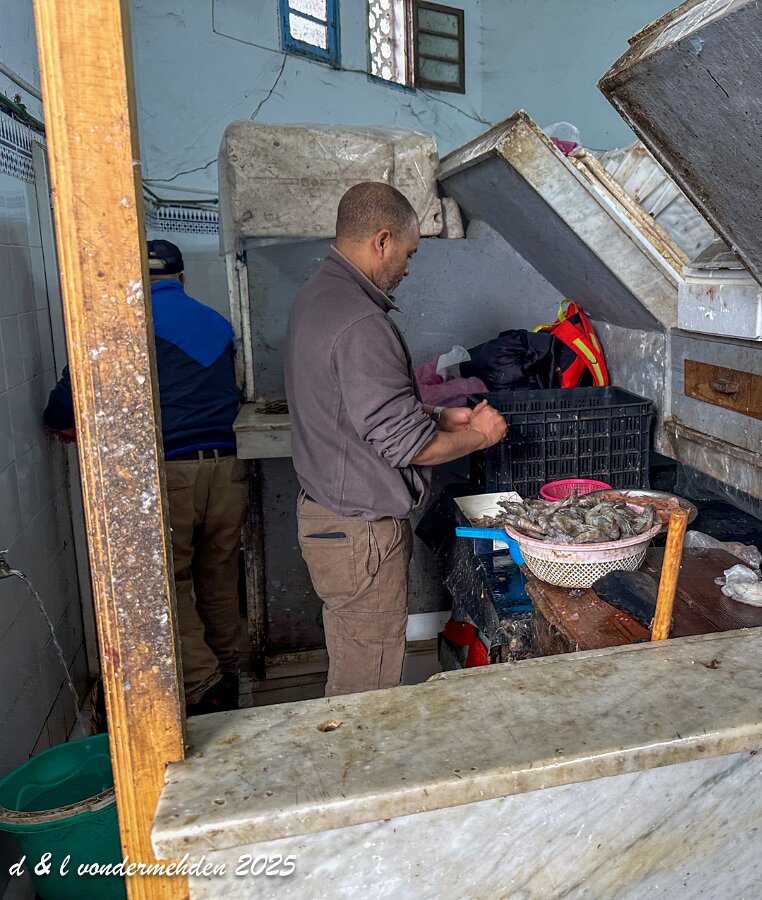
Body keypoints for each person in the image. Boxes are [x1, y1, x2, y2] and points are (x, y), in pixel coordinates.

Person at [285, 182, 507, 697]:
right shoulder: (361, 322)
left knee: (355, 660)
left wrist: (436, 413)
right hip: (360, 533)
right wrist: (479, 435)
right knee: (366, 687)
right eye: (408, 253)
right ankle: (355, 751)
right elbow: (411, 448)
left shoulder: (319, 296)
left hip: (333, 519)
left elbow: (355, 405)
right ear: (382, 241)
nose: (408, 268)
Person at [44, 240, 246, 715]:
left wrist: (65, 424)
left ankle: (204, 684)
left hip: (170, 474)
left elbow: (64, 406)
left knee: (169, 584)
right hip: (228, 470)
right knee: (219, 577)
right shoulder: (218, 322)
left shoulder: (123, 323)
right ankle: (229, 672)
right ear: (182, 279)